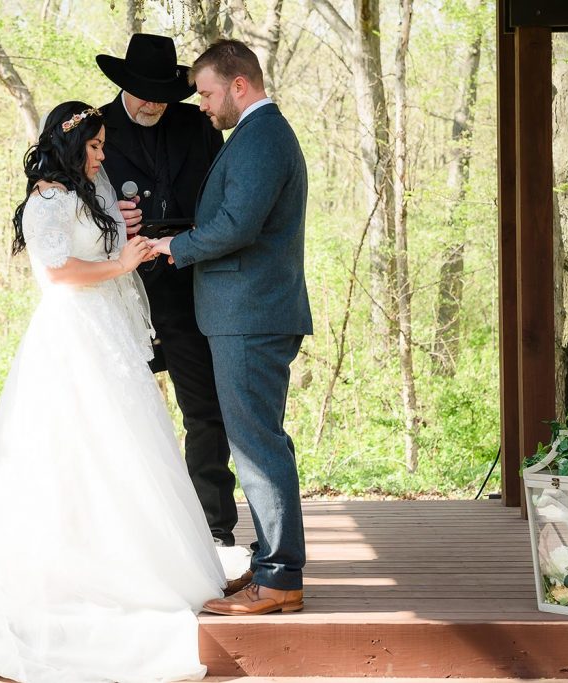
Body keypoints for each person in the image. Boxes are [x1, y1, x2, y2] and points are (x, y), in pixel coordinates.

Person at [0, 101, 226, 683]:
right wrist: (120, 262)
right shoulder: (46, 200)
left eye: (104, 146)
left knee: (127, 444)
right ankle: (74, 566)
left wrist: (122, 230)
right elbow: (58, 272)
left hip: (106, 329)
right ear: (70, 144)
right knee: (75, 446)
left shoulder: (87, 188)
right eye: (97, 146)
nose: (104, 156)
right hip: (73, 332)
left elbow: (102, 245)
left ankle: (135, 559)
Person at [150, 39, 313, 616]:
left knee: (257, 445)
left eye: (208, 91)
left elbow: (238, 225)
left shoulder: (263, 135)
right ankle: (272, 565)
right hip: (247, 312)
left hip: (252, 314)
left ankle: (279, 579)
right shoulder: (253, 135)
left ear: (239, 85)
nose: (203, 104)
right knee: (257, 441)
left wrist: (176, 245)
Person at [96, 34, 241, 554]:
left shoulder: (197, 125)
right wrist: (113, 221)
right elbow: (54, 202)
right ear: (123, 85)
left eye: (163, 92)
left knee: (205, 408)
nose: (154, 102)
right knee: (115, 411)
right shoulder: (92, 129)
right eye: (142, 91)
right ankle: (121, 525)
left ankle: (214, 526)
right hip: (117, 290)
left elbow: (223, 197)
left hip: (186, 286)